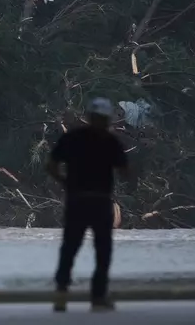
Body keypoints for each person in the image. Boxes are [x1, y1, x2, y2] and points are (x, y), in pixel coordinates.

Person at [46, 97, 132, 312]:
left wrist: (64, 182)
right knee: (102, 250)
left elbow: (51, 165)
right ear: (106, 119)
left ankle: (61, 294)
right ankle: (98, 297)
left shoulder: (72, 138)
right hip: (100, 201)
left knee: (70, 248)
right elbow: (125, 172)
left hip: (77, 200)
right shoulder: (111, 142)